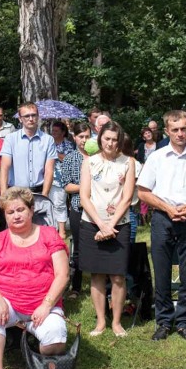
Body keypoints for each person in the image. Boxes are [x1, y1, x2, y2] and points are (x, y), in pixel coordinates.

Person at [0, 187, 69, 369]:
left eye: (21, 210)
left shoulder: (49, 235)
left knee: (55, 340)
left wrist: (46, 305)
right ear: (4, 215)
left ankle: (36, 356)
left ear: (31, 210)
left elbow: (62, 275)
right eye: (10, 212)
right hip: (8, 304)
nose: (16, 215)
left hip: (44, 304)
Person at [137, 110, 186, 342]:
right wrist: (168, 209)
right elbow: (142, 192)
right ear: (167, 131)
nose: (181, 133)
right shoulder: (157, 157)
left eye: (184, 129)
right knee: (161, 272)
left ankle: (183, 322)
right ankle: (163, 322)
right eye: (175, 130)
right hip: (163, 218)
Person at [79, 121, 135, 337]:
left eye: (114, 139)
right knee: (97, 275)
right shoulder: (89, 162)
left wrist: (111, 226)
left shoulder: (128, 162)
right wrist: (101, 225)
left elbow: (127, 197)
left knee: (118, 276)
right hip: (92, 223)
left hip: (118, 225)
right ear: (100, 139)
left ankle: (117, 322)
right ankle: (101, 321)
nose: (111, 143)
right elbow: (84, 196)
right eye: (107, 139)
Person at [60, 121, 92, 297]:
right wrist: (85, 187)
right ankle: (77, 286)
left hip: (98, 208)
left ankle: (101, 282)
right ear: (74, 137)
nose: (84, 140)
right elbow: (67, 186)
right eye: (81, 137)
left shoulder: (98, 157)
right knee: (78, 248)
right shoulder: (71, 158)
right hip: (78, 207)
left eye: (87, 136)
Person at [0, 102, 57, 195]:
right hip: (16, 193)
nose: (31, 119)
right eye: (26, 116)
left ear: (38, 116)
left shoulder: (48, 140)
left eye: (33, 115)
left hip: (39, 192)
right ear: (20, 119)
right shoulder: (10, 139)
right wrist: (3, 194)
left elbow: (49, 170)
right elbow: (5, 168)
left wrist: (45, 195)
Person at [50, 120, 75, 239]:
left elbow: (69, 160)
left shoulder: (68, 145)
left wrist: (56, 153)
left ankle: (62, 230)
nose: (53, 133)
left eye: (56, 131)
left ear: (63, 132)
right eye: (52, 131)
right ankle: (51, 228)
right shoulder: (48, 143)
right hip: (47, 178)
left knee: (59, 204)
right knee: (49, 204)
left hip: (61, 179)